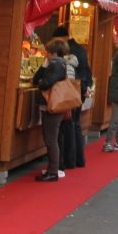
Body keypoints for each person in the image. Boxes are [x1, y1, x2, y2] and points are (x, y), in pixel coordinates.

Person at [30, 39, 72, 182]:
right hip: (55, 105)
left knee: (50, 138)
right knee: (51, 137)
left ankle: (53, 171)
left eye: (47, 52)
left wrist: (42, 78)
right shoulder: (61, 64)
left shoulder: (55, 65)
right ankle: (53, 169)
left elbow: (42, 82)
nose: (46, 54)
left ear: (53, 52)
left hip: (51, 106)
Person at [51, 25, 92, 168]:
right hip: (80, 90)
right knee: (75, 124)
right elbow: (87, 70)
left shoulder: (66, 51)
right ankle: (78, 159)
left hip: (69, 91)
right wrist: (87, 86)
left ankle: (69, 160)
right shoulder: (81, 49)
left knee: (67, 126)